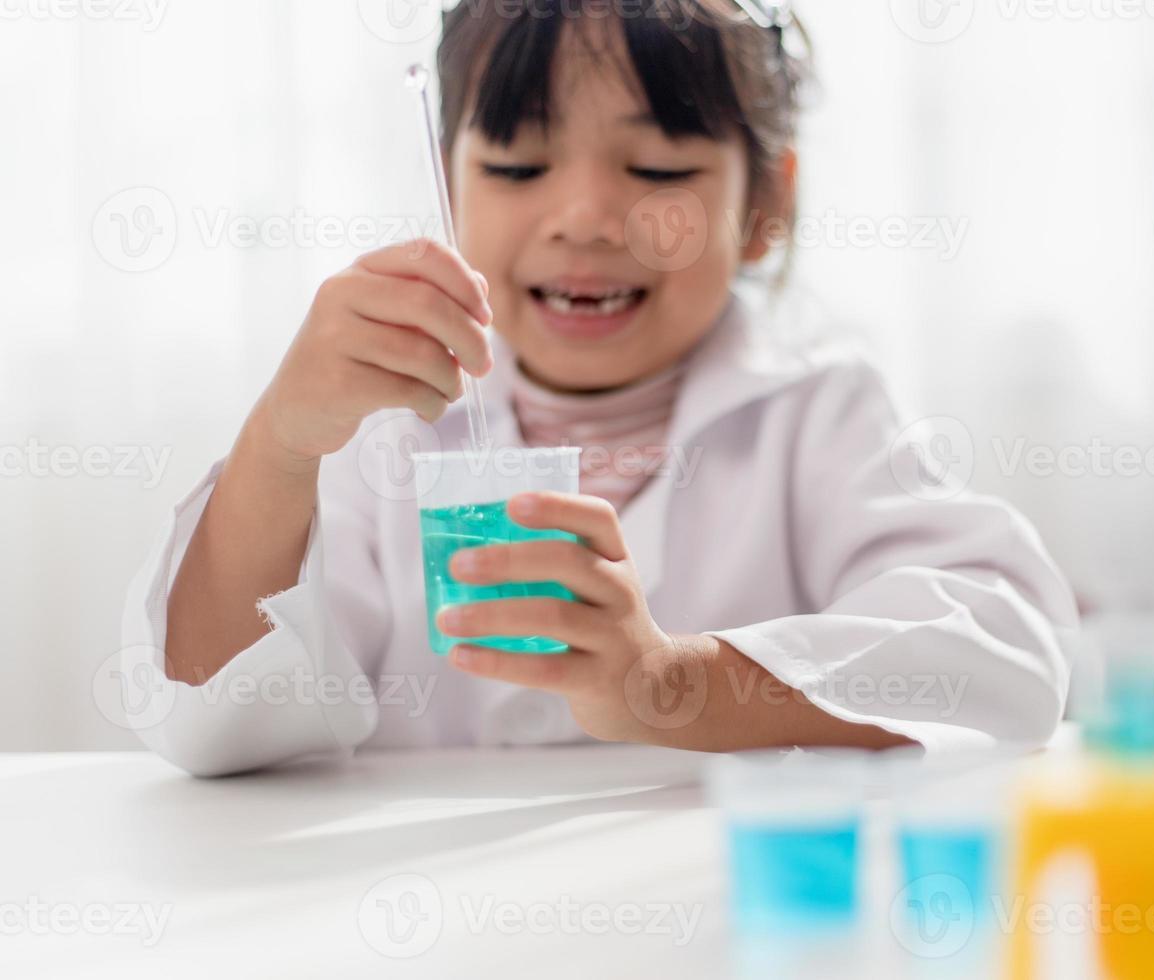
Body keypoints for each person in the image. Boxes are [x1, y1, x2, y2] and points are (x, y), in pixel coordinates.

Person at [120, 0, 1077, 776]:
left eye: (658, 166)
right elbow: (213, 720)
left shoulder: (819, 414)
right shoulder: (387, 439)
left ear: (764, 208)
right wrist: (281, 445)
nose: (583, 217)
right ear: (447, 191)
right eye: (517, 164)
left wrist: (674, 681)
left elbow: (1005, 651)